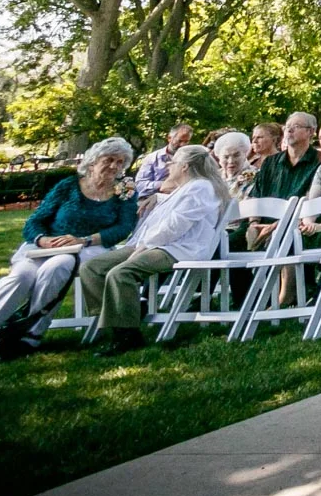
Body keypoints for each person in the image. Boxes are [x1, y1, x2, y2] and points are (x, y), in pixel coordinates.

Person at [0, 138, 136, 370]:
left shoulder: (124, 191)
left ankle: (29, 336)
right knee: (18, 278)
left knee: (56, 268)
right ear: (93, 161)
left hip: (88, 247)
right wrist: (43, 240)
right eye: (109, 160)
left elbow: (124, 227)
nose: (115, 166)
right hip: (44, 246)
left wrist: (84, 239)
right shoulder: (68, 186)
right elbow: (34, 222)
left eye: (120, 162)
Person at [79, 143, 230, 356]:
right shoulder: (187, 187)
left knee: (121, 273)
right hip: (156, 243)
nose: (169, 166)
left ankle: (127, 334)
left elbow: (176, 226)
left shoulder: (201, 187)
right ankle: (121, 316)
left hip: (179, 249)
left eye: (174, 162)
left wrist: (145, 245)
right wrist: (157, 198)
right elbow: (171, 205)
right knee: (92, 268)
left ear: (185, 166)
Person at [245, 112, 321, 249]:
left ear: (311, 131)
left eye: (296, 126)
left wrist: (277, 226)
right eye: (287, 127)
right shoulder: (270, 162)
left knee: (282, 241)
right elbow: (256, 196)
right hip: (262, 222)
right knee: (225, 243)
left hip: (296, 225)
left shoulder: (320, 162)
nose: (289, 130)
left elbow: (311, 202)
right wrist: (253, 224)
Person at [133, 124, 193, 210]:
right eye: (180, 141)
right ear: (169, 138)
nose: (182, 145)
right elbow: (140, 185)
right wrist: (164, 184)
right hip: (152, 204)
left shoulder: (190, 160)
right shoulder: (152, 158)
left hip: (179, 204)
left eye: (186, 142)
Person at [212, 130, 256, 198]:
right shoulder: (214, 176)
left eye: (236, 155)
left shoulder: (255, 175)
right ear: (219, 158)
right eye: (226, 157)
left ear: (245, 155)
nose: (231, 161)